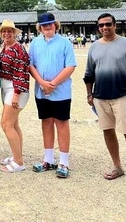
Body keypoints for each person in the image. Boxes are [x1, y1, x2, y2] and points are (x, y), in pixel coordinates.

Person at [84, 13, 126, 189]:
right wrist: (89, 94)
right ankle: (117, 166)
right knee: (107, 131)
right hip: (100, 97)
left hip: (123, 96)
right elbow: (89, 74)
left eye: (108, 24)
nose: (104, 28)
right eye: (101, 25)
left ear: (115, 25)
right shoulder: (94, 47)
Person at [28, 12, 77, 179]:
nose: (47, 27)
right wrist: (42, 82)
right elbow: (30, 65)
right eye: (43, 25)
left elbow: (70, 66)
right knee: (46, 122)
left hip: (61, 91)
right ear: (39, 27)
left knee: (61, 123)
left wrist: (53, 83)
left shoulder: (65, 43)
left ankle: (64, 161)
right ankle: (48, 159)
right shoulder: (35, 43)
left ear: (55, 25)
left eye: (50, 24)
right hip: (41, 90)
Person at [0, 20, 30, 173]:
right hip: (6, 86)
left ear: (15, 33)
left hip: (15, 88)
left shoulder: (18, 49)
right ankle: (17, 155)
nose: (6, 34)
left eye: (10, 31)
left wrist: (16, 93)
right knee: (14, 124)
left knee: (6, 124)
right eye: (4, 31)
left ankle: (19, 162)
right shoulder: (5, 47)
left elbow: (21, 72)